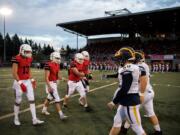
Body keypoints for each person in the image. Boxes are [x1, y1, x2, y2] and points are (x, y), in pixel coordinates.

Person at [120, 50, 162, 135]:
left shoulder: (137, 67)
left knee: (132, 111)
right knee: (151, 113)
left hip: (143, 93)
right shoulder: (144, 65)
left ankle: (124, 129)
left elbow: (141, 79)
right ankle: (158, 131)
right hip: (149, 92)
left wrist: (141, 93)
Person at [107, 47, 147, 135]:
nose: (118, 61)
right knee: (116, 123)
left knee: (138, 129)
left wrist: (114, 102)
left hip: (130, 102)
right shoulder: (133, 67)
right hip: (125, 101)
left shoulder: (129, 68)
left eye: (120, 58)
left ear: (124, 58)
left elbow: (125, 88)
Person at [12, 44, 44, 126]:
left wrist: (32, 79)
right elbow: (14, 73)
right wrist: (20, 83)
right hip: (19, 81)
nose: (29, 53)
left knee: (32, 99)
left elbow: (28, 70)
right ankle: (16, 118)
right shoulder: (16, 58)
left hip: (27, 81)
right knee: (18, 101)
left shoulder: (29, 58)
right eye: (27, 52)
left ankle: (34, 119)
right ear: (21, 50)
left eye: (29, 52)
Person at [41, 52, 67, 120]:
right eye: (57, 58)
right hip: (50, 84)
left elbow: (57, 75)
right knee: (57, 99)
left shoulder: (57, 65)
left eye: (59, 58)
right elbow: (46, 78)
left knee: (49, 98)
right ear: (52, 57)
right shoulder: (48, 64)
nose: (58, 60)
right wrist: (49, 87)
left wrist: (62, 78)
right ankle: (61, 114)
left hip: (54, 84)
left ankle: (44, 110)